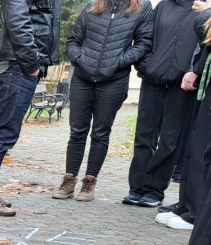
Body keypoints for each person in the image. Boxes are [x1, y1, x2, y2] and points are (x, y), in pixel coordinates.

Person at [0, 0, 62, 217]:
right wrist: (32, 66)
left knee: (4, 132)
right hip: (18, 67)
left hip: (19, 67)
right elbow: (17, 21)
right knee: (3, 133)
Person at [52, 0, 153, 202]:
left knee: (100, 132)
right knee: (77, 131)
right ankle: (69, 179)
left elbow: (144, 42)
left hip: (114, 79)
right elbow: (73, 40)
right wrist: (79, 60)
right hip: (83, 78)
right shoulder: (92, 6)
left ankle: (89, 182)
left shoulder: (141, 7)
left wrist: (119, 62)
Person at [122, 0, 200, 208]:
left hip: (182, 85)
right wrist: (148, 67)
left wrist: (193, 71)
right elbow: (145, 37)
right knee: (143, 136)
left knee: (169, 141)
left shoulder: (203, 8)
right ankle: (136, 188)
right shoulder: (163, 6)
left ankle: (154, 190)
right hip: (153, 80)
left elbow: (203, 46)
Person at [156, 3, 211, 230]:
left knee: (201, 153)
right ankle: (187, 206)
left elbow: (201, 27)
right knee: (193, 150)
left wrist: (208, 11)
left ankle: (195, 213)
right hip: (204, 84)